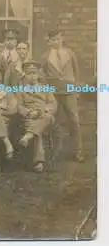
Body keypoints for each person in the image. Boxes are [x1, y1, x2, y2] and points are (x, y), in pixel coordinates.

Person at [41, 29, 84, 162]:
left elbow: (76, 73)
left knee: (74, 121)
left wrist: (76, 90)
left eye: (58, 39)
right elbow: (42, 76)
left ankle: (78, 151)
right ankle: (55, 152)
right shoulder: (45, 56)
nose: (56, 42)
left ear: (62, 39)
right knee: (55, 123)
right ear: (49, 42)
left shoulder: (70, 54)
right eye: (53, 40)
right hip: (54, 93)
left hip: (69, 92)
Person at [16, 60, 57, 173]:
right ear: (25, 75)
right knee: (37, 131)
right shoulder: (21, 89)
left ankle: (27, 136)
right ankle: (38, 162)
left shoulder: (45, 88)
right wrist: (29, 113)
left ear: (38, 74)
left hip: (44, 116)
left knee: (47, 117)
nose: (32, 76)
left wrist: (43, 110)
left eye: (34, 73)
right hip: (30, 118)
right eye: (29, 73)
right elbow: (19, 107)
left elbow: (53, 104)